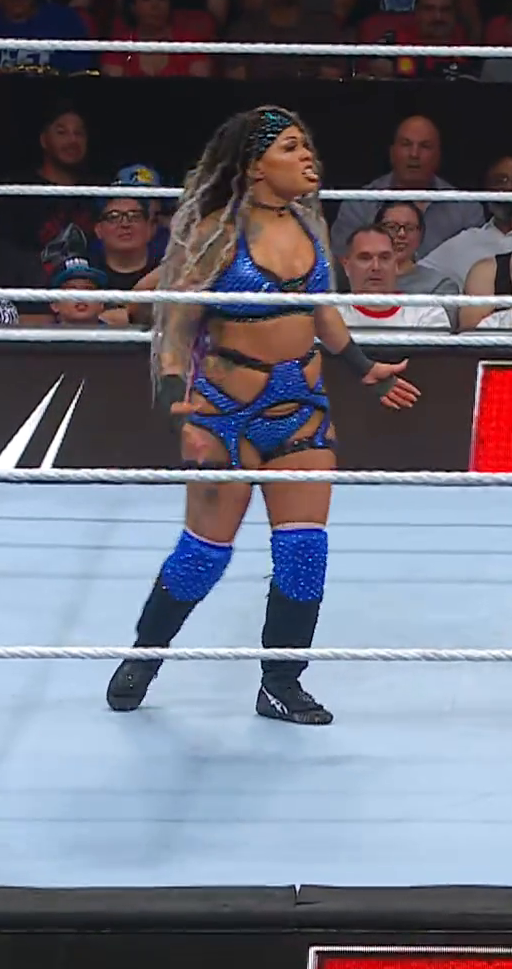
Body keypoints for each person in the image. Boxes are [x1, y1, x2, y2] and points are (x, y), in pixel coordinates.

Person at [105, 106, 421, 725]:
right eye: (291, 147)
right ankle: (145, 653)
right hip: (224, 411)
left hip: (301, 407)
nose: (308, 158)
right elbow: (177, 324)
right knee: (203, 554)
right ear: (254, 165)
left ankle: (281, 682)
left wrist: (364, 367)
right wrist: (174, 404)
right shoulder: (214, 235)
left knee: (304, 550)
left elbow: (322, 312)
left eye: (307, 146)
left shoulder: (309, 225)